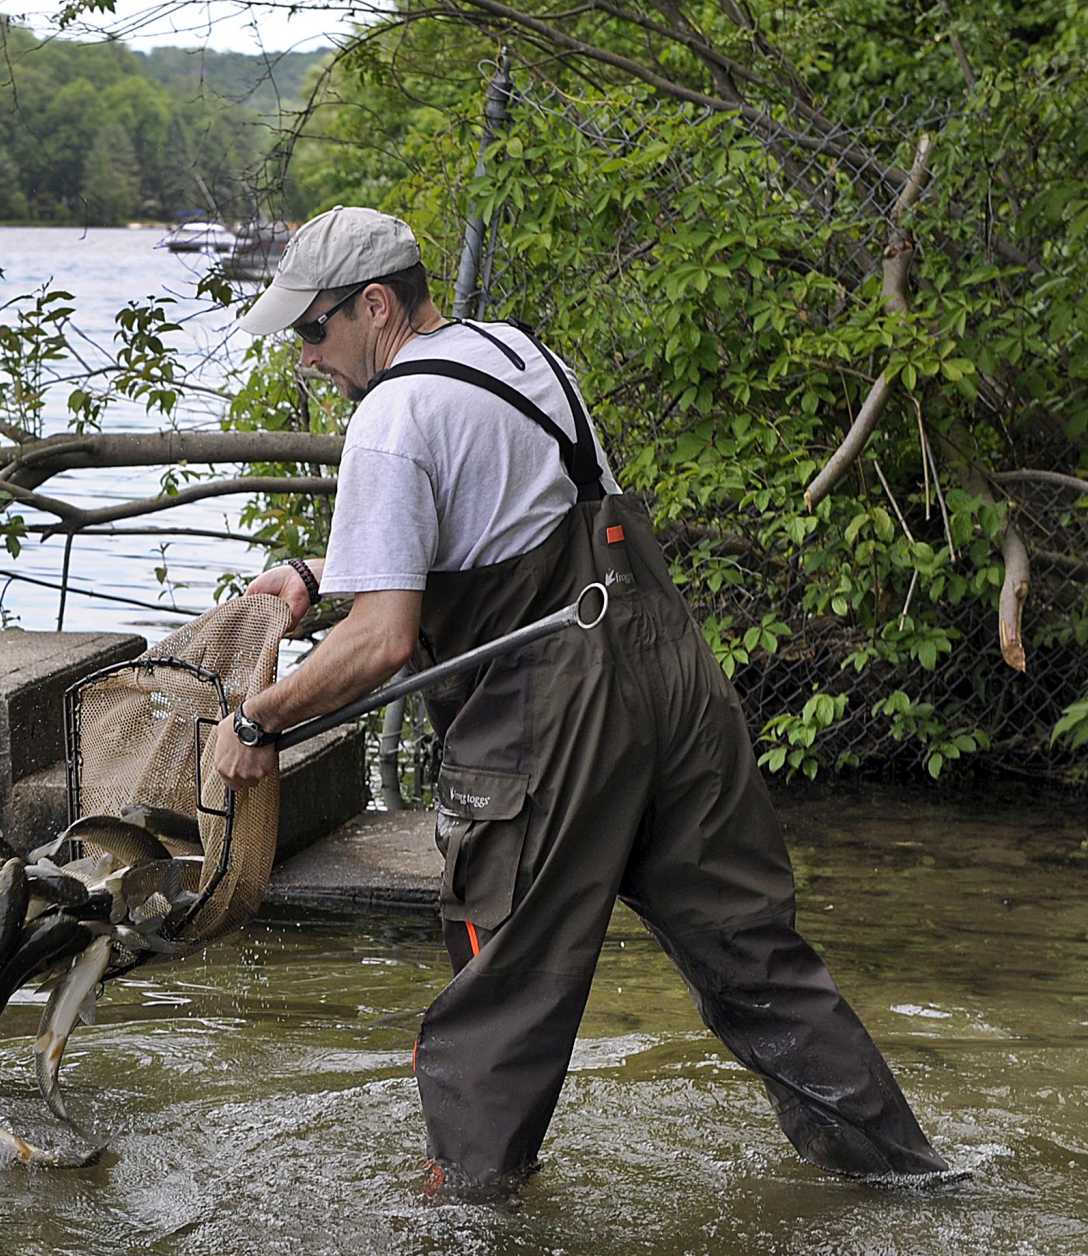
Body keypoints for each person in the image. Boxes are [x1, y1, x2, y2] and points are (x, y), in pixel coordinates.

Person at [209, 205, 949, 1193]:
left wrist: (257, 721)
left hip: (547, 720)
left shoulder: (390, 416)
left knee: (500, 994)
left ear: (373, 306)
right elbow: (499, 527)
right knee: (757, 967)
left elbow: (382, 642)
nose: (305, 357)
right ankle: (908, 1181)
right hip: (673, 686)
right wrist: (316, 571)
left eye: (312, 330)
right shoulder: (518, 355)